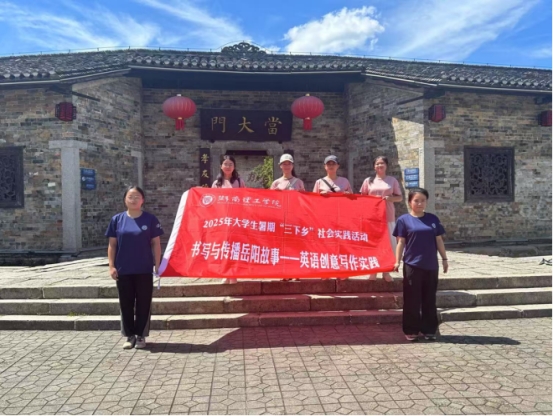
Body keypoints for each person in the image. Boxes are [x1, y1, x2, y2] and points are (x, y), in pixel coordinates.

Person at [106, 186, 163, 350]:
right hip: (123, 269)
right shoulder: (117, 220)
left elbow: (156, 243)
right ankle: (129, 335)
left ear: (142, 200)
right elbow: (112, 245)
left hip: (144, 269)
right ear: (125, 199)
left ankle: (140, 335)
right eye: (130, 196)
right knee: (126, 303)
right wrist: (111, 266)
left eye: (137, 196)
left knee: (144, 303)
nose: (133, 199)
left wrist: (157, 264)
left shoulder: (150, 219)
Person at [393, 188, 448, 342]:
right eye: (416, 200)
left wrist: (444, 259)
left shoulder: (432, 219)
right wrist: (397, 261)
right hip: (412, 265)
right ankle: (411, 330)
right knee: (412, 299)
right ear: (410, 202)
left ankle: (429, 329)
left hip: (431, 265)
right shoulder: (403, 220)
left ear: (426, 202)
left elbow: (439, 240)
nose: (419, 203)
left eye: (423, 200)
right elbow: (401, 242)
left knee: (429, 299)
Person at [360, 156, 402, 282]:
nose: (379, 166)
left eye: (382, 163)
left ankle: (386, 271)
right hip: (372, 218)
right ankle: (373, 271)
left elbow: (399, 197)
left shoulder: (392, 180)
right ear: (374, 167)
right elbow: (362, 197)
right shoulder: (368, 181)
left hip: (388, 216)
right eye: (377, 164)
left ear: (386, 165)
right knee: (373, 245)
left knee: (388, 244)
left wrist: (390, 199)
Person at [212, 155, 245, 283]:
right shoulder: (217, 183)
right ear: (221, 166)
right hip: (222, 219)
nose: (228, 166)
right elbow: (212, 202)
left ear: (234, 166)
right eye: (225, 164)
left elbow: (245, 198)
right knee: (223, 246)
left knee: (234, 246)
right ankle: (226, 273)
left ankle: (234, 274)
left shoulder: (239, 181)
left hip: (235, 219)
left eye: (230, 164)